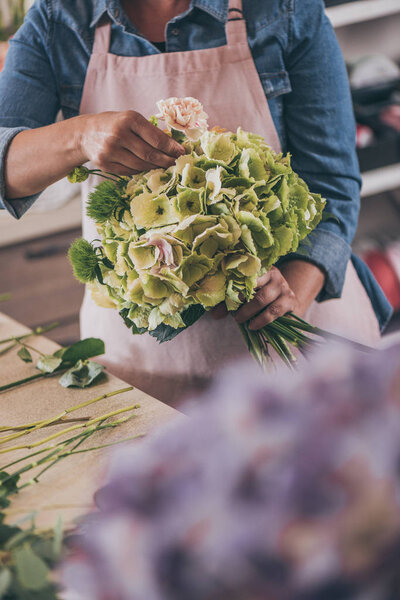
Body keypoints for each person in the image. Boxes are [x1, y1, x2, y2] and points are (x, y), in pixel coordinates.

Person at [0, 0, 392, 404]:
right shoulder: (59, 18)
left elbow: (331, 182)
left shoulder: (286, 10)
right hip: (146, 365)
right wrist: (78, 138)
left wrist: (288, 295)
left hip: (297, 349)